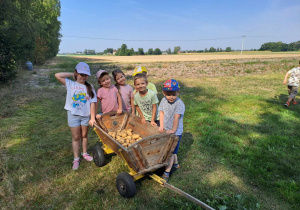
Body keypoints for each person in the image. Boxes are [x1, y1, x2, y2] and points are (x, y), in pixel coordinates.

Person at [55, 62, 97, 170]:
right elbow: (57, 75)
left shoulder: (90, 87)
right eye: (81, 74)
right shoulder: (70, 84)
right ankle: (76, 158)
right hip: (73, 115)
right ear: (76, 73)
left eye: (85, 75)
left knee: (84, 135)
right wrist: (72, 74)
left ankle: (84, 153)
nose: (83, 77)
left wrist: (92, 118)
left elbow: (93, 103)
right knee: (76, 137)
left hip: (85, 116)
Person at [158, 79, 185, 182]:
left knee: (170, 152)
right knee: (173, 151)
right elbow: (161, 113)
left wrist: (173, 130)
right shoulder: (164, 100)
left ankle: (167, 173)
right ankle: (176, 164)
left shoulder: (179, 104)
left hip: (175, 132)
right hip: (167, 129)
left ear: (178, 92)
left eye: (173, 94)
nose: (171, 97)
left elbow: (176, 118)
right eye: (168, 94)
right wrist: (161, 125)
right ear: (164, 93)